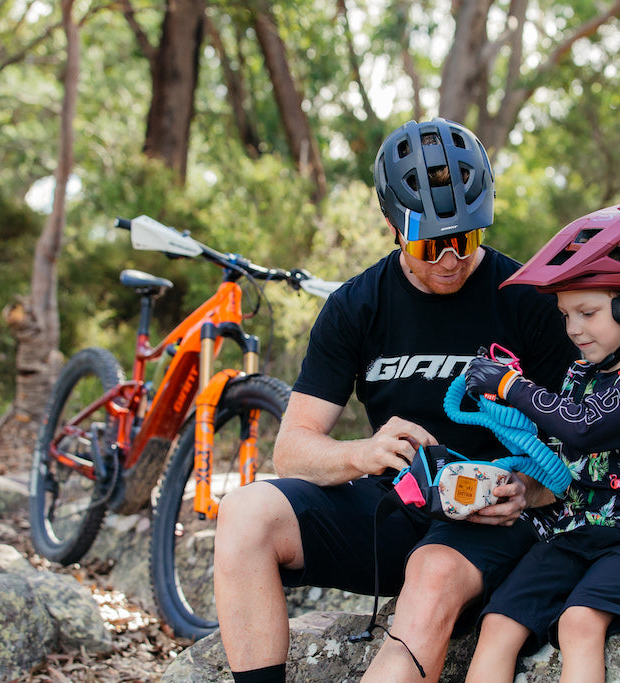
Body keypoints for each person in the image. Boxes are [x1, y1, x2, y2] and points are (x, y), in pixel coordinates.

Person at [212, 117, 577, 683]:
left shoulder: (529, 301)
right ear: (391, 226)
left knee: (431, 572)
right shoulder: (356, 305)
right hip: (398, 501)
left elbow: (580, 444)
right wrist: (364, 453)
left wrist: (524, 493)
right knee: (243, 513)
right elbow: (292, 450)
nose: (451, 258)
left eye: (467, 237)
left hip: (493, 523)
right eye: (431, 244)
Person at [462, 203, 620, 683]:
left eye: (586, 313)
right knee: (499, 624)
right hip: (573, 531)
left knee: (578, 622)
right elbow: (557, 452)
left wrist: (511, 387)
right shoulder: (576, 374)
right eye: (566, 315)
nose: (573, 329)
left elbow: (584, 426)